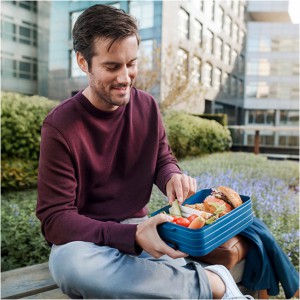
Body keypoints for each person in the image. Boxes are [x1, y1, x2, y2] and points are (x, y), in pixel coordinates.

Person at [36, 4, 254, 299]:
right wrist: (129, 237)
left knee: (137, 264)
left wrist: (172, 177)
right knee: (73, 267)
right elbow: (55, 220)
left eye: (132, 63)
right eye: (112, 66)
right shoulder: (60, 126)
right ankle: (216, 284)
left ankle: (176, 280)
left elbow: (162, 159)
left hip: (138, 227)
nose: (125, 77)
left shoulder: (147, 106)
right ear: (83, 62)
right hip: (83, 240)